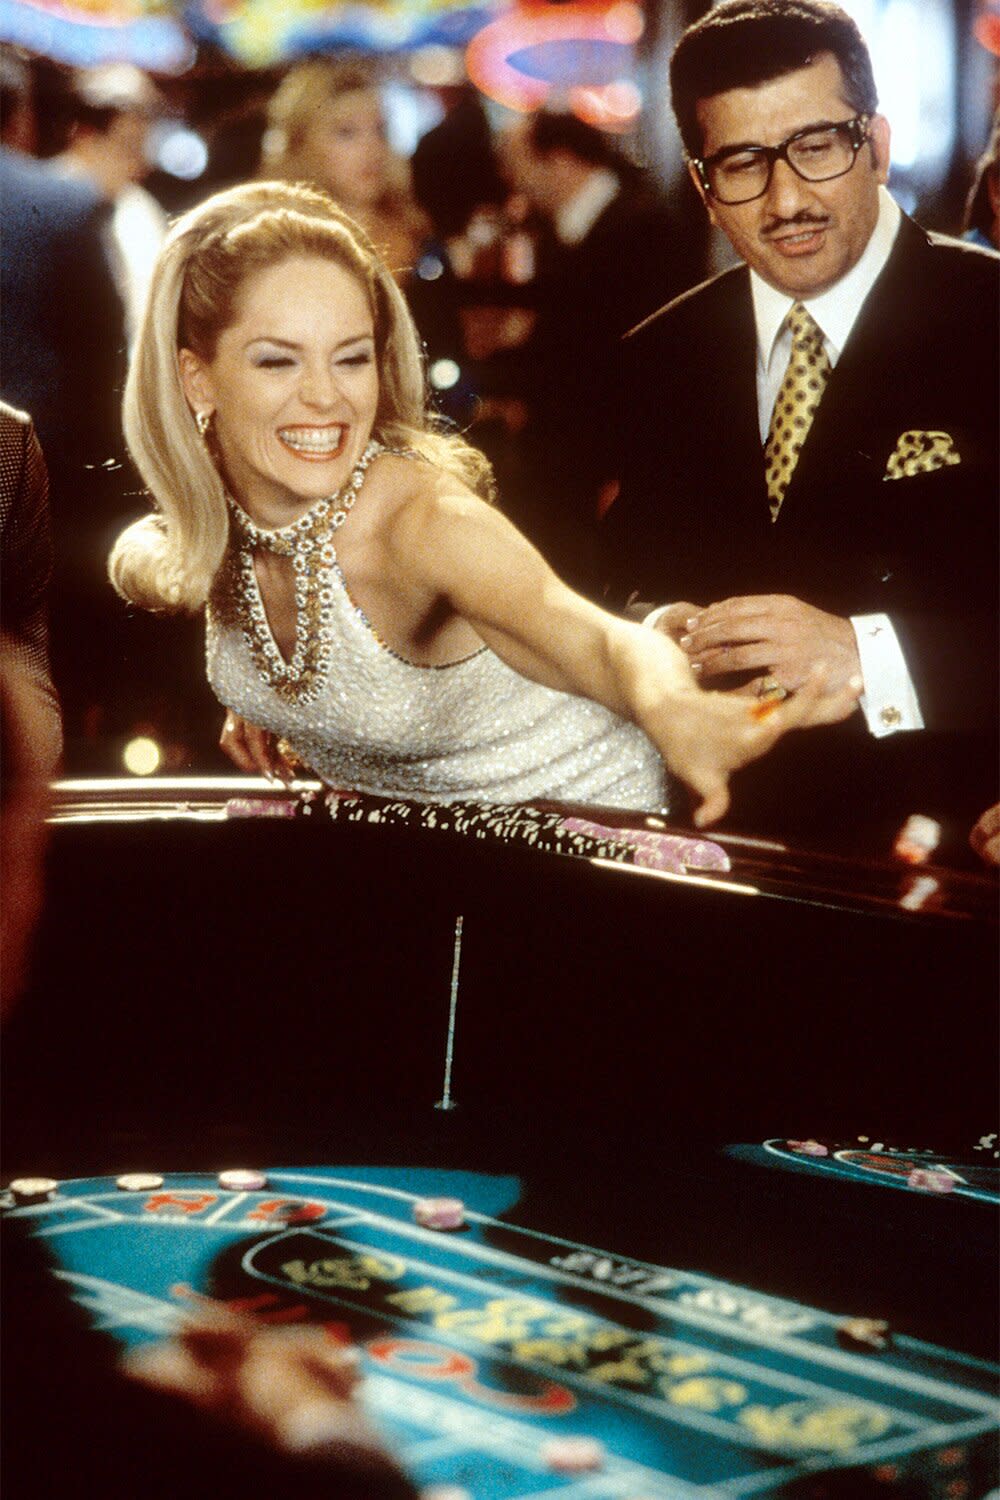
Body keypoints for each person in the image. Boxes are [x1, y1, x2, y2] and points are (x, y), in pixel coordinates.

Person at [108, 181, 858, 829]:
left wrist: (679, 714)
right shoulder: (218, 515)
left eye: (351, 356)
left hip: (579, 841)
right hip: (418, 861)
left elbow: (597, 641)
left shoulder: (421, 520)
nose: (326, 397)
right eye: (278, 359)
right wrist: (273, 703)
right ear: (197, 380)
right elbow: (177, 563)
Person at [601, 0, 999, 855]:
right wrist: (656, 632)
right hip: (711, 854)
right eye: (743, 163)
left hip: (950, 863)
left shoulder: (990, 318)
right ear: (706, 190)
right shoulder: (655, 355)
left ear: (878, 147)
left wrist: (870, 655)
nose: (786, 200)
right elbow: (601, 585)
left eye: (817, 148)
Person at [495, 111, 701, 588]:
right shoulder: (571, 233)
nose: (509, 177)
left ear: (561, 160)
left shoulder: (642, 230)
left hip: (608, 485)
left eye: (516, 161)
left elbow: (658, 371)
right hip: (572, 482)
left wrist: (628, 475)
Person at [260, 60, 427, 283]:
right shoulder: (277, 249)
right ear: (302, 144)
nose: (372, 148)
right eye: (346, 132)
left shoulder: (417, 235)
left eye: (379, 130)